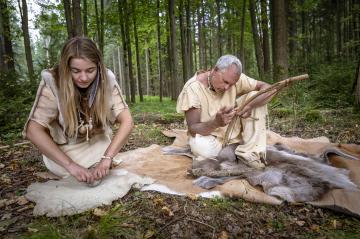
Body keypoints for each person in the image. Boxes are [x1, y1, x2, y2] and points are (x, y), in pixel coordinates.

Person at [23, 37, 133, 185]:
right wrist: (71, 166)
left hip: (99, 143)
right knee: (65, 169)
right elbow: (33, 130)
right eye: (76, 71)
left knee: (106, 152)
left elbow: (127, 121)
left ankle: (99, 162)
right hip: (67, 150)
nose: (83, 78)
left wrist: (107, 158)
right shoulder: (53, 82)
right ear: (66, 68)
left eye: (90, 70)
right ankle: (77, 167)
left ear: (98, 66)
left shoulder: (106, 79)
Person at [176, 55, 275, 169]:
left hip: (232, 130)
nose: (227, 88)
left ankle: (250, 153)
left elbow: (269, 89)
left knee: (256, 97)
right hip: (210, 137)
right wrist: (215, 123)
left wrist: (249, 106)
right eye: (225, 82)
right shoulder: (193, 88)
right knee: (201, 147)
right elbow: (193, 129)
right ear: (215, 70)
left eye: (231, 84)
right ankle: (238, 147)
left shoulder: (234, 78)